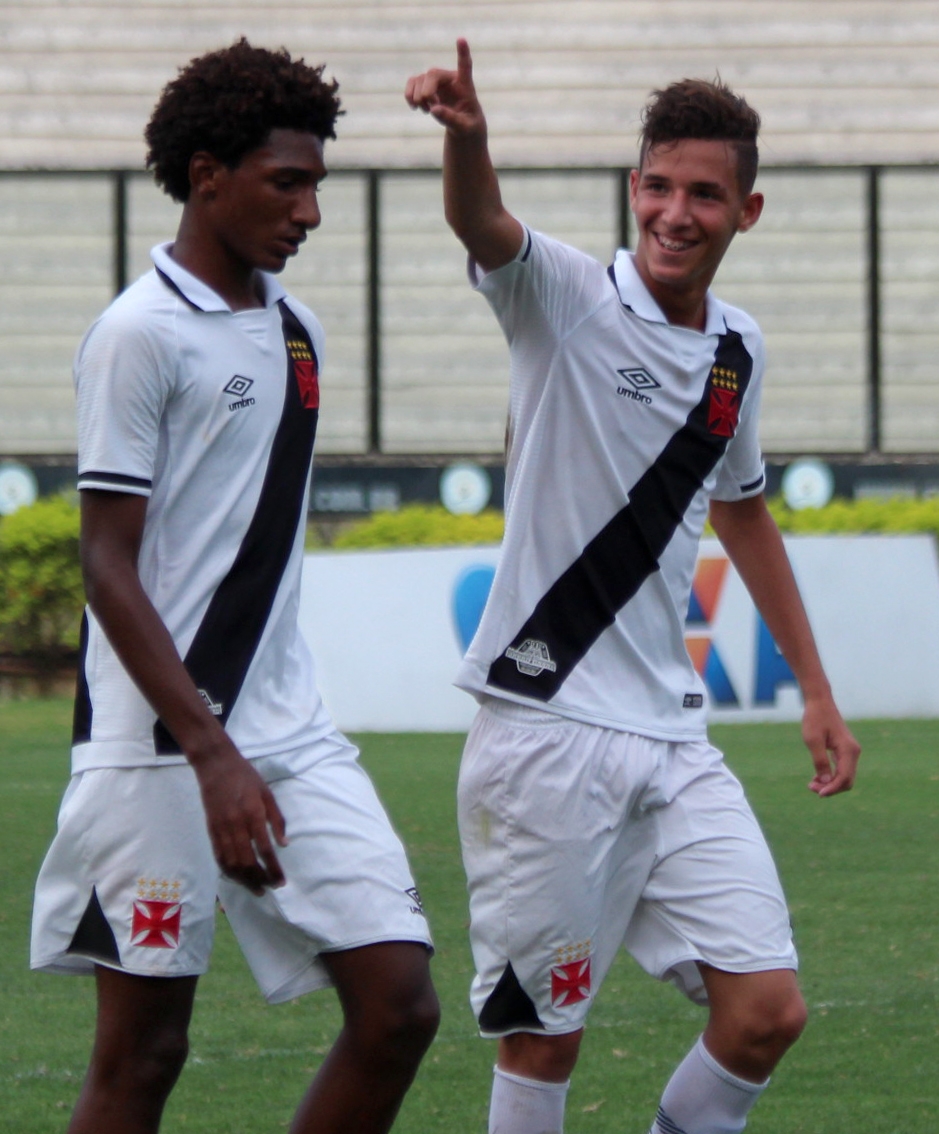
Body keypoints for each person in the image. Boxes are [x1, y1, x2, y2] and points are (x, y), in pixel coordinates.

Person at [406, 40, 862, 1134]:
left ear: (747, 212)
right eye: (658, 187)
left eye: (705, 194)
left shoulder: (738, 352)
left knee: (766, 1011)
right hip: (546, 733)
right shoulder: (564, 298)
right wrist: (470, 142)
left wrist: (816, 688)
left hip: (670, 740)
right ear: (632, 190)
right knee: (544, 1039)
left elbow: (742, 506)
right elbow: (483, 227)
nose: (675, 212)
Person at [30, 41, 439, 1134]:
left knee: (399, 1006)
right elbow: (106, 564)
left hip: (290, 734)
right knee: (144, 1055)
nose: (309, 211)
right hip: (160, 746)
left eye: (316, 185)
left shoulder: (295, 332)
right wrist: (209, 750)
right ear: (207, 175)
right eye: (286, 182)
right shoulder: (136, 335)